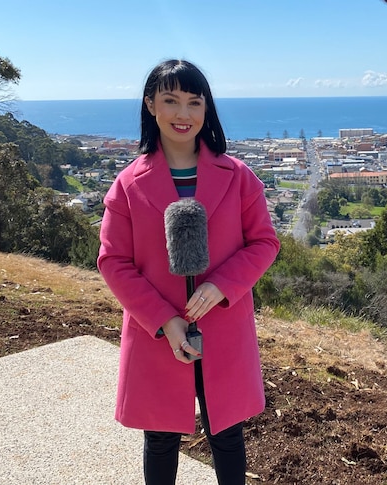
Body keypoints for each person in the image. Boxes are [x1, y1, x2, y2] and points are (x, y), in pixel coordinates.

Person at [97, 59, 281, 485]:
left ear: (206, 108)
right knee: (160, 437)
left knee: (228, 433)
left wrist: (222, 285)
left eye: (194, 102)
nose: (183, 114)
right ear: (150, 105)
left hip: (224, 324)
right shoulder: (127, 184)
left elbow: (265, 243)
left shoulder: (238, 177)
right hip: (157, 331)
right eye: (171, 100)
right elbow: (112, 261)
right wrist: (166, 321)